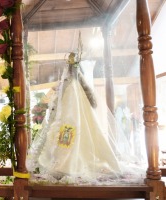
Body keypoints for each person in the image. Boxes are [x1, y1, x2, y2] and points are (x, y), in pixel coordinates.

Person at [26, 50, 145, 185]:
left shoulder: (74, 85)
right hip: (70, 107)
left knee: (77, 129)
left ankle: (70, 163)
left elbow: (84, 100)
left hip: (75, 106)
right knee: (70, 130)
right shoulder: (70, 84)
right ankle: (65, 162)